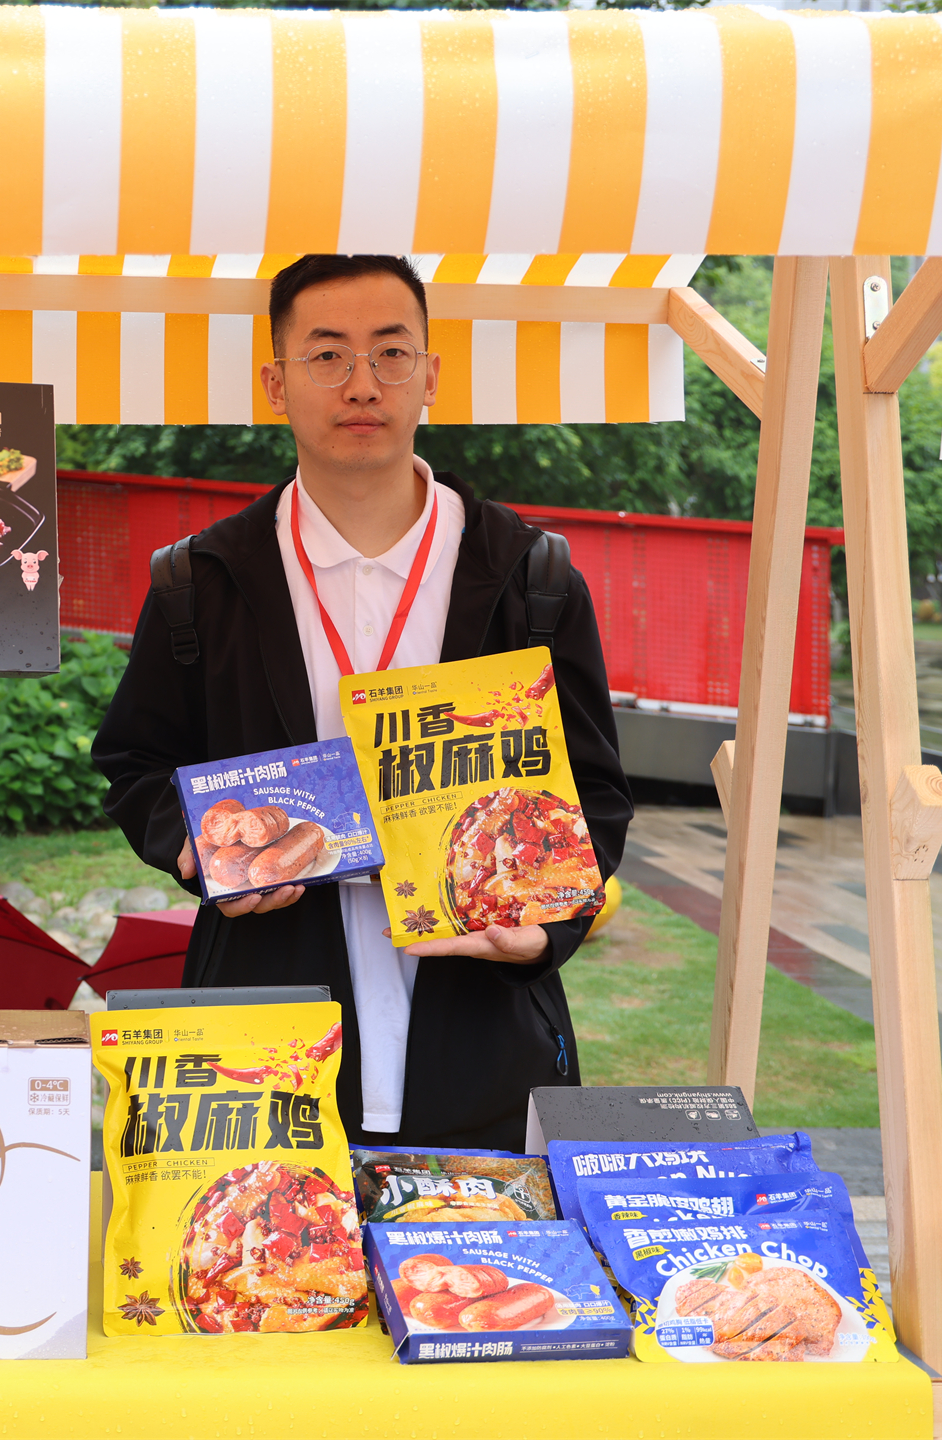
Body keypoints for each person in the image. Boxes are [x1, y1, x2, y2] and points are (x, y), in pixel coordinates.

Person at [92, 254, 632, 1152]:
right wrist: (193, 845)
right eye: (327, 356)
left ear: (431, 375)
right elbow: (135, 762)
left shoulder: (530, 578)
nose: (362, 384)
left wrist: (545, 935)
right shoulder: (202, 581)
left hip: (480, 1034)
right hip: (265, 1037)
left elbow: (595, 794)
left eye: (390, 353)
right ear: (276, 383)